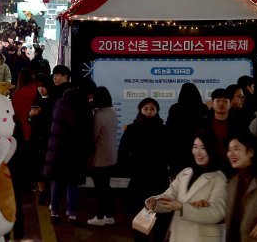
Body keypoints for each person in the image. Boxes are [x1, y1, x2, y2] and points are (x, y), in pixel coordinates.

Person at [145, 130, 227, 242]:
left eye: (203, 148)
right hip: (180, 235)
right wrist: (155, 202)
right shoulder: (186, 172)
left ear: (212, 150)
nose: (197, 152)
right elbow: (170, 195)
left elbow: (217, 213)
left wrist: (182, 207)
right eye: (195, 147)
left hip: (203, 238)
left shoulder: (219, 178)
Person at [118, 98, 169, 241]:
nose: (149, 112)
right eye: (145, 108)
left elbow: (170, 151)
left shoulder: (163, 129)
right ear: (140, 110)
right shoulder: (132, 129)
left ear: (157, 111)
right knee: (140, 214)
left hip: (160, 178)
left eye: (152, 109)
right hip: (139, 179)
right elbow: (123, 152)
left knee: (161, 216)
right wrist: (130, 169)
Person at [44, 82, 95, 225]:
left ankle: (54, 214)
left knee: (56, 182)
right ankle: (72, 216)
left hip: (57, 149)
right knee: (72, 184)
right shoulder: (83, 106)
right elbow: (86, 132)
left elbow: (53, 125)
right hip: (75, 151)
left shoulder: (60, 102)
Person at [87, 86, 118, 226]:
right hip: (111, 156)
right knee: (107, 187)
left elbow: (93, 136)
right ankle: (109, 216)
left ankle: (99, 217)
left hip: (100, 157)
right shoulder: (112, 111)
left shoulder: (98, 114)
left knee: (99, 189)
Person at [166, 83, 209, 176]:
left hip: (178, 152)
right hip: (198, 150)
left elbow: (169, 131)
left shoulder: (175, 108)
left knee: (180, 184)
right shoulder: (203, 108)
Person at [28, 74, 55, 206]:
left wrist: (41, 115)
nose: (41, 89)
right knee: (37, 167)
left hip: (48, 139)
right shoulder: (36, 101)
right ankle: (42, 192)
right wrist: (30, 116)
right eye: (39, 87)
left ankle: (47, 192)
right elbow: (30, 121)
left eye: (43, 86)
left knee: (47, 167)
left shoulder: (54, 102)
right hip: (36, 139)